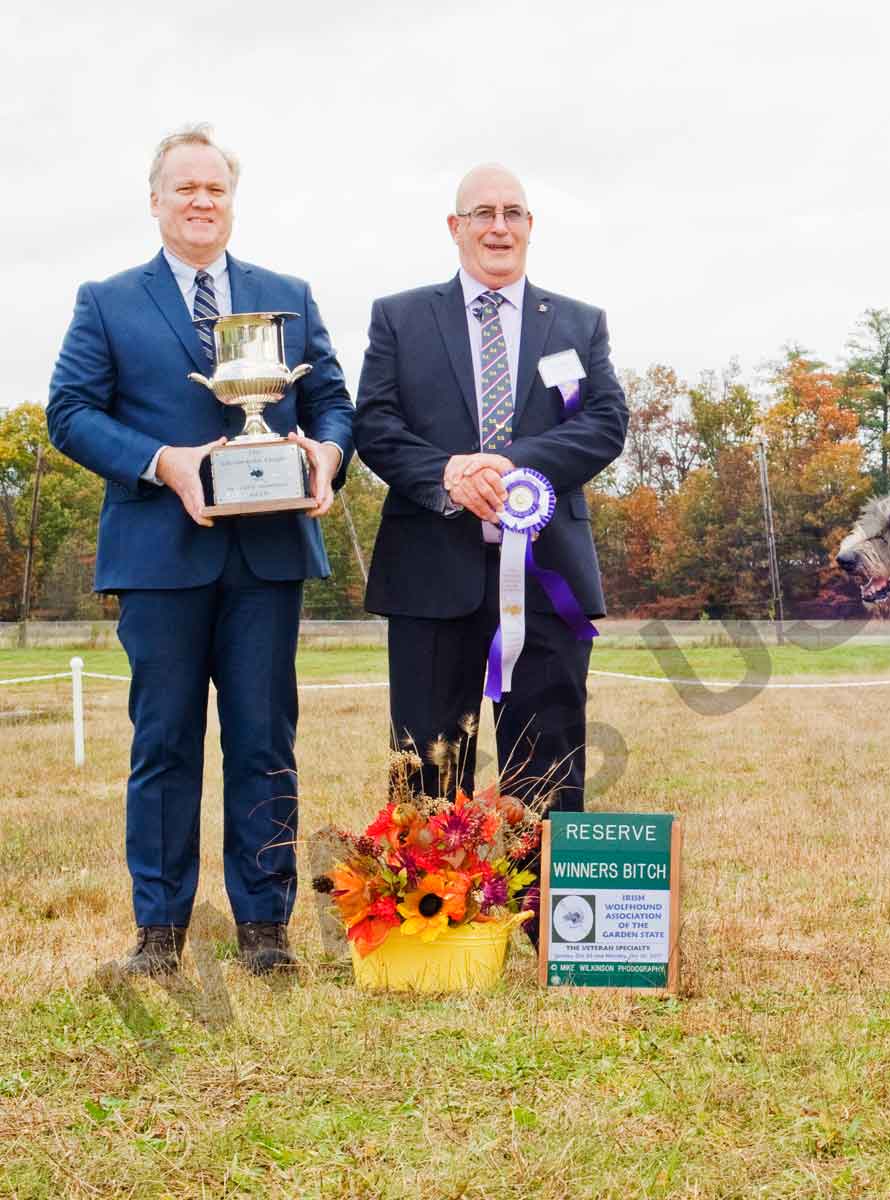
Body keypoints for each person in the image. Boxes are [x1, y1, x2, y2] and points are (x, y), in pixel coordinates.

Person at [47, 124, 354, 976]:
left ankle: (264, 929)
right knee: (165, 744)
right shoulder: (105, 301)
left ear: (231, 199)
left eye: (214, 187)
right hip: (159, 558)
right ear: (155, 201)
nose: (200, 200)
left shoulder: (284, 292)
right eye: (183, 187)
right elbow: (69, 413)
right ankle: (160, 931)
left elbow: (333, 402)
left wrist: (325, 457)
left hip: (267, 560)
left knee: (264, 742)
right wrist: (163, 464)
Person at [354, 163, 627, 825]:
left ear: (530, 227)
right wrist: (450, 475)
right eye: (482, 213)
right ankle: (439, 928)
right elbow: (375, 424)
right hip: (428, 579)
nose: (498, 226)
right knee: (425, 776)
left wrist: (502, 466)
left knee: (549, 775)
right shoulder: (400, 318)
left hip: (547, 581)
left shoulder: (578, 324)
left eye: (512, 212)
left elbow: (604, 422)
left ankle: (541, 925)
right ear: (456, 227)